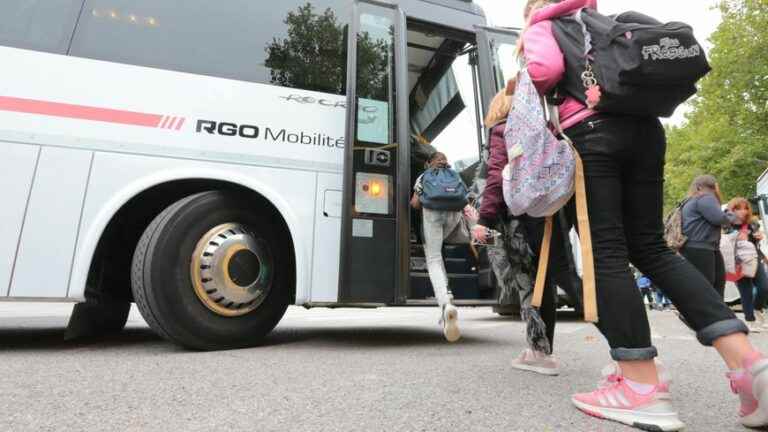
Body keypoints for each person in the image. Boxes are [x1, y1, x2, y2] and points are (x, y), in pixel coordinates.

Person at [521, 0, 767, 429]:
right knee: (653, 249)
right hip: (648, 133)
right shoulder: (609, 22)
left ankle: (639, 386)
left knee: (607, 254)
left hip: (592, 134)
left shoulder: (546, 24)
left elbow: (543, 72)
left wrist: (523, 71)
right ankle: (751, 367)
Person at [472, 76, 582, 375]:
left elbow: (495, 177)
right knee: (557, 278)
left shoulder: (502, 131)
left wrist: (483, 220)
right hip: (550, 212)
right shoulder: (542, 130)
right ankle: (541, 349)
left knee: (530, 283)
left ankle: (541, 352)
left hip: (519, 220)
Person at [410, 151, 475, 342]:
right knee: (440, 254)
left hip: (433, 215)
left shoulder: (424, 176)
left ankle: (445, 303)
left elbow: (414, 203)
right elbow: (465, 200)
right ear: (445, 162)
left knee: (433, 258)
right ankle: (447, 300)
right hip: (453, 218)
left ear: (429, 163)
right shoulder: (454, 175)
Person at [680, 175, 738, 300]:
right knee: (710, 285)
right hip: (702, 247)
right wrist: (730, 214)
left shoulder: (689, 200)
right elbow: (720, 219)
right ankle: (705, 316)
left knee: (711, 283)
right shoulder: (705, 197)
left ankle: (714, 315)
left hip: (695, 246)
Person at [726, 197, 768, 332]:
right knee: (746, 292)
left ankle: (757, 309)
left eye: (745, 208)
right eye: (738, 208)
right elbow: (722, 241)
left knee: (764, 287)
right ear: (732, 210)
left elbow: (757, 236)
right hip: (737, 261)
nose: (742, 211)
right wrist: (735, 236)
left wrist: (759, 236)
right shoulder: (726, 224)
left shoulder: (752, 223)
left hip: (754, 259)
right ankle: (750, 320)